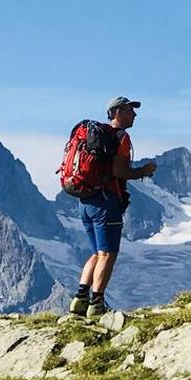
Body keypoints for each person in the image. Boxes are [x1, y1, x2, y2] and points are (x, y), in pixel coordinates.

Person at [69, 97, 157, 317]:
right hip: (106, 202)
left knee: (97, 252)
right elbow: (119, 171)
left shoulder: (94, 136)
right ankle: (96, 304)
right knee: (108, 254)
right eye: (130, 110)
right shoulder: (121, 137)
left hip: (86, 201)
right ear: (117, 112)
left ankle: (80, 301)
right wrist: (142, 172)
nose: (135, 115)